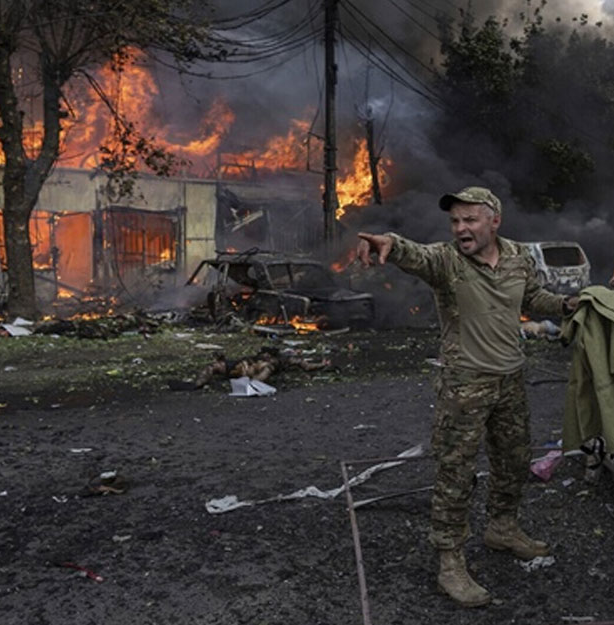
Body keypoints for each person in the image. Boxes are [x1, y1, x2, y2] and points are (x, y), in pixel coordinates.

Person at [356, 186, 576, 608]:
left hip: (510, 380)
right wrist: (389, 243)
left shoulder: (518, 257)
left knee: (513, 461)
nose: (460, 228)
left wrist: (567, 303)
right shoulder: (446, 261)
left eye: (470, 219)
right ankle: (450, 562)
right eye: (455, 221)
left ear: (495, 220)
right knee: (456, 473)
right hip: (464, 384)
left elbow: (533, 298)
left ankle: (503, 528)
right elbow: (413, 254)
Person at [191, 347, 328, 389]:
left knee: (215, 367)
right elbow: (307, 366)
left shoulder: (279, 361)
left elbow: (307, 366)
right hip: (243, 366)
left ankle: (197, 383)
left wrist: (321, 364)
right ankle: (197, 384)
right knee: (214, 367)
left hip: (246, 368)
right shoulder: (281, 359)